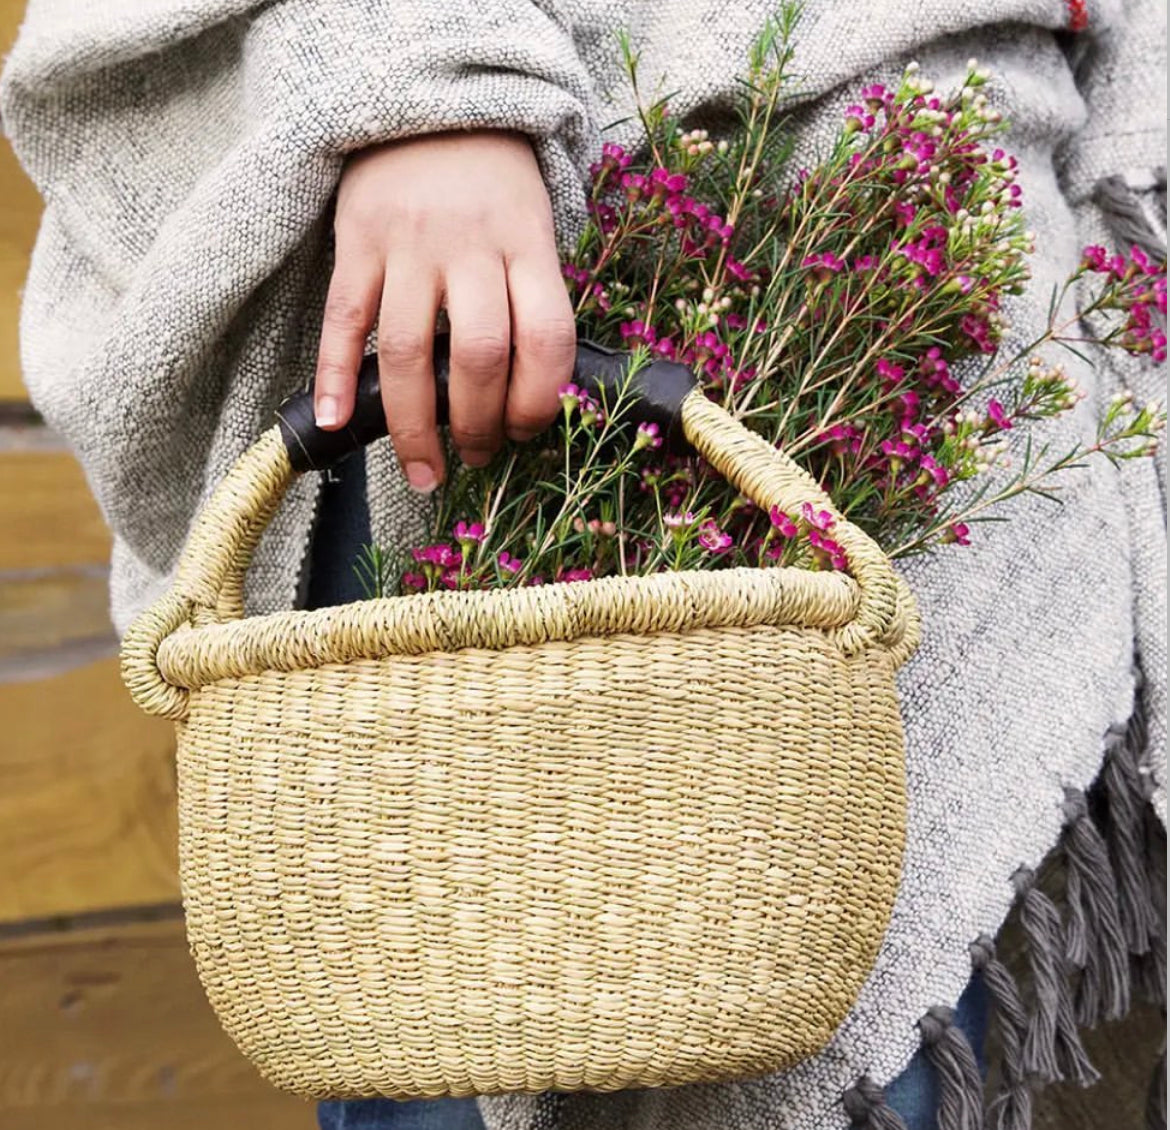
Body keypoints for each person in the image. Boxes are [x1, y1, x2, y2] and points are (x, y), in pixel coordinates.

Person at [2, 3, 1164, 1130]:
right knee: (475, 987)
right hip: (490, 199)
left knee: (925, 1005)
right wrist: (406, 56)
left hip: (982, 199)